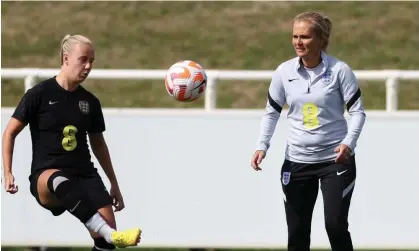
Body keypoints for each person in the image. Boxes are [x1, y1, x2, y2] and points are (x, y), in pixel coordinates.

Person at [2, 34, 141, 250]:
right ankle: (110, 234)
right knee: (60, 182)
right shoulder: (38, 94)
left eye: (92, 61)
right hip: (46, 177)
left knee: (105, 243)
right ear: (66, 59)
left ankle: (108, 236)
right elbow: (9, 133)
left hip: (84, 174)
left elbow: (99, 145)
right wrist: (7, 171)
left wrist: (113, 183)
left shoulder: (90, 102)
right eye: (83, 59)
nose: (88, 67)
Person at [250, 12, 366, 251]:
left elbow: (358, 113)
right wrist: (262, 145)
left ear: (321, 40)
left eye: (305, 36)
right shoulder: (284, 72)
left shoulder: (339, 71)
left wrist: (349, 143)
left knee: (334, 225)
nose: (298, 42)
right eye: (295, 36)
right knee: (297, 233)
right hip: (297, 162)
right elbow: (271, 112)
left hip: (336, 161)